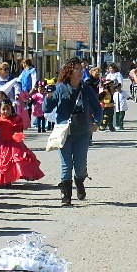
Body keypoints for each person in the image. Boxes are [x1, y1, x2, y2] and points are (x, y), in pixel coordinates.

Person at [44, 58, 101, 206]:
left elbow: (97, 108)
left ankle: (79, 180)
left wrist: (96, 122)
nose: (81, 72)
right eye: (77, 69)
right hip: (64, 132)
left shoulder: (86, 89)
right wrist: (49, 96)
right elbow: (46, 108)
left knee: (80, 166)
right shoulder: (60, 88)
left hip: (82, 132)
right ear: (69, 71)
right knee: (66, 164)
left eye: (81, 69)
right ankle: (66, 196)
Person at [0, 99, 44, 187]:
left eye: (8, 109)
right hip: (0, 144)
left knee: (12, 162)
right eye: (3, 109)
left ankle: (8, 180)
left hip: (13, 144)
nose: (5, 111)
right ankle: (1, 180)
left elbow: (19, 132)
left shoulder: (16, 119)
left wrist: (18, 137)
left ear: (11, 109)